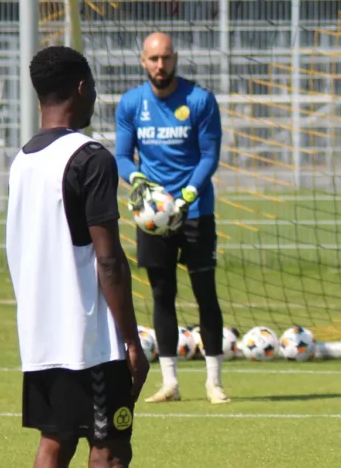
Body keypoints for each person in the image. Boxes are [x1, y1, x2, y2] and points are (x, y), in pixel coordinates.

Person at [6, 45, 149, 468]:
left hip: (40, 336)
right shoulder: (91, 158)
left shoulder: (22, 161)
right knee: (110, 451)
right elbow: (108, 261)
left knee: (57, 440)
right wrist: (130, 340)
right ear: (82, 88)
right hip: (91, 338)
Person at [114, 31, 228, 405]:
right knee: (162, 295)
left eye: (165, 58)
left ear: (175, 58)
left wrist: (190, 193)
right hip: (153, 218)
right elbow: (120, 156)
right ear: (142, 61)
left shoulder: (199, 100)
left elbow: (210, 154)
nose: (159, 65)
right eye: (153, 59)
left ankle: (214, 382)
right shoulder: (131, 104)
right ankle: (170, 384)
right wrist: (138, 180)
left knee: (205, 294)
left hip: (195, 212)